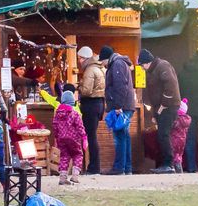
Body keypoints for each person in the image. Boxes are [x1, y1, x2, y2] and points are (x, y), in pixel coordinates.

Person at [139, 48, 181, 172]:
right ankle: (169, 164)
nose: (142, 68)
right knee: (162, 135)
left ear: (147, 62)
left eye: (142, 65)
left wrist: (163, 105)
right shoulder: (154, 70)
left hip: (168, 107)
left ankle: (169, 164)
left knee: (163, 134)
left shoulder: (163, 66)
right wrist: (155, 113)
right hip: (161, 108)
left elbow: (171, 87)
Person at [103, 46, 137, 173]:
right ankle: (127, 168)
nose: (103, 64)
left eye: (102, 61)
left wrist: (118, 106)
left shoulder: (117, 64)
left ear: (106, 58)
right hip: (126, 105)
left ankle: (119, 167)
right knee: (125, 137)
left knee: (120, 137)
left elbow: (120, 86)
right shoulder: (120, 63)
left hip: (122, 107)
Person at [75, 46, 106, 175]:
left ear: (84, 58)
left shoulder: (89, 70)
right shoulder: (100, 68)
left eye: (80, 58)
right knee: (92, 136)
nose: (79, 61)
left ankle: (94, 167)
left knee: (91, 137)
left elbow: (87, 91)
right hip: (99, 103)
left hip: (90, 105)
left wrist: (78, 87)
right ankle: (94, 166)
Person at [52, 89, 88, 185]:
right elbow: (80, 127)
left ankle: (63, 177)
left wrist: (56, 138)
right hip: (73, 139)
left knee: (64, 156)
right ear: (72, 102)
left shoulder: (57, 114)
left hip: (61, 139)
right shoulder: (74, 114)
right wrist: (84, 137)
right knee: (78, 155)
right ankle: (75, 176)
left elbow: (55, 127)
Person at [170, 99, 192, 173]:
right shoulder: (187, 119)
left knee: (173, 154)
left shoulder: (177, 120)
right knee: (179, 154)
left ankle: (174, 168)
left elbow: (172, 126)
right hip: (183, 140)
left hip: (174, 139)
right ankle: (179, 168)